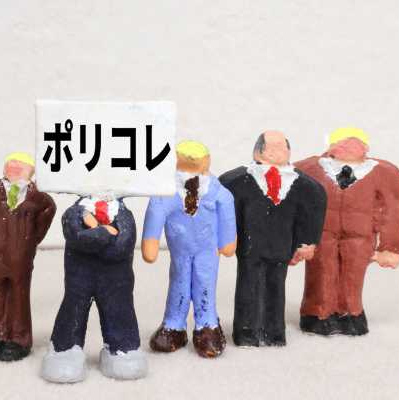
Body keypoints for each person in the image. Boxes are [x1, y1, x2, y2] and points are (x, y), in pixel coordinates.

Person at [295, 127, 399, 336]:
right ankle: (317, 314)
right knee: (321, 271)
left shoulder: (385, 173)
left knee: (353, 274)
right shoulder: (309, 169)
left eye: (354, 144)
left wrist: (390, 247)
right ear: (331, 147)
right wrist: (294, 239)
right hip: (322, 232)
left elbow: (393, 210)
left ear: (365, 148)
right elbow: (291, 200)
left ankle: (351, 314)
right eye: (343, 143)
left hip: (360, 235)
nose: (348, 148)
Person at [219, 131, 326, 346]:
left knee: (276, 287)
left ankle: (274, 330)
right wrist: (224, 239)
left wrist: (307, 242)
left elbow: (313, 210)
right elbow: (223, 211)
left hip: (281, 246)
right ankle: (246, 330)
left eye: (282, 147)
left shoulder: (305, 185)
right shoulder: (235, 181)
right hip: (250, 246)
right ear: (258, 151)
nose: (277, 152)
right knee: (248, 286)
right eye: (271, 147)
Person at [142, 140, 236, 358]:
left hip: (207, 250)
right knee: (179, 283)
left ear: (207, 162)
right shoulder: (166, 192)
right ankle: (174, 325)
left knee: (205, 283)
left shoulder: (216, 192)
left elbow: (226, 209)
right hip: (180, 251)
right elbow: (157, 211)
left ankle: (207, 325)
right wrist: (151, 241)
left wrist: (227, 241)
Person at [41, 194, 147, 383]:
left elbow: (121, 246)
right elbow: (78, 237)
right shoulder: (74, 213)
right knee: (73, 310)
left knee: (120, 311)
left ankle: (123, 348)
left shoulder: (124, 214)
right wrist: (106, 232)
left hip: (116, 280)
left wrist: (93, 232)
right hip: (79, 277)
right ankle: (64, 349)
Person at [0, 152, 56, 361]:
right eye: (11, 162)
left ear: (31, 170)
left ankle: (19, 337)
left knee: (19, 294)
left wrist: (30, 239)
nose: (14, 165)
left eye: (21, 163)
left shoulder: (38, 196)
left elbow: (48, 212)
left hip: (20, 254)